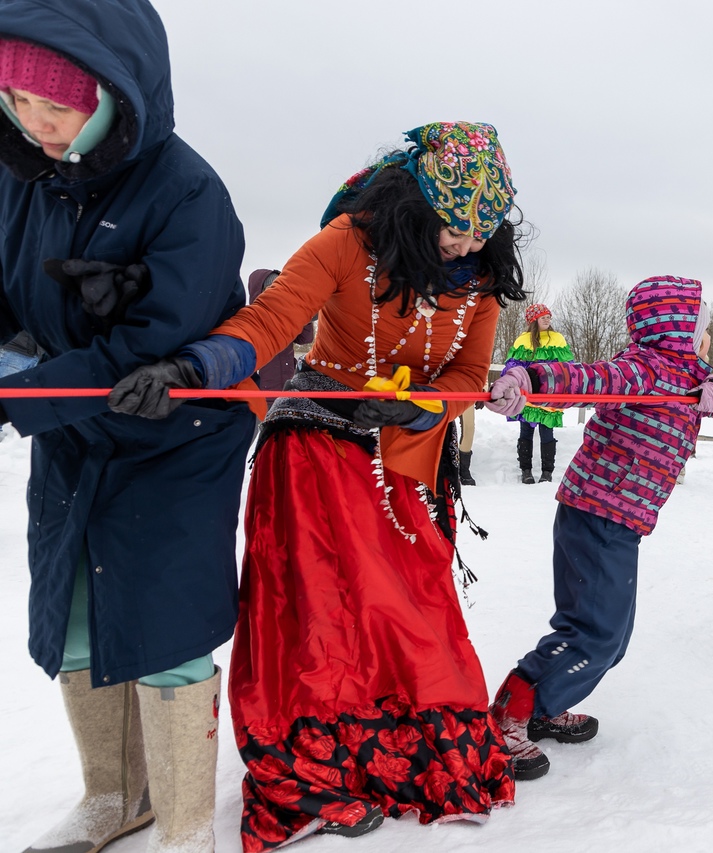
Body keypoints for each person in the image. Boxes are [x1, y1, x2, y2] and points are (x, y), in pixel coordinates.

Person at [109, 122, 524, 847]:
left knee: (412, 611)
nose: (464, 247)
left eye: (479, 234)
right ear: (417, 208)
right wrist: (190, 370)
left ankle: (410, 753)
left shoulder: (481, 278)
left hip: (403, 457)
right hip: (314, 450)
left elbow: (466, 376)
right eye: (453, 231)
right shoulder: (348, 241)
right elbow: (269, 320)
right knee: (322, 621)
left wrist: (424, 404)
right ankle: (312, 773)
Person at [0, 5, 259, 851]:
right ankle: (113, 796)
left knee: (167, 625)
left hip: (173, 437)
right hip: (73, 436)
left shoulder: (188, 191)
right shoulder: (21, 174)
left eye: (56, 107)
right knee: (74, 614)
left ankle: (184, 825)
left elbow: (144, 351)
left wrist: (18, 396)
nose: (33, 123)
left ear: (112, 95)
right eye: (13, 98)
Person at [484, 275, 713, 780]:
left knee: (612, 637)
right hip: (596, 513)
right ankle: (510, 715)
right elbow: (587, 379)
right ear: (682, 329)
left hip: (622, 521)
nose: (706, 339)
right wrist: (529, 381)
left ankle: (546, 704)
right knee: (595, 633)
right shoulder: (641, 369)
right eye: (702, 328)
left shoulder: (689, 372)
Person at [502, 302, 574, 483]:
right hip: (528, 393)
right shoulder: (523, 340)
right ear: (534, 319)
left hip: (550, 393)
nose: (548, 319)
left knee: (547, 431)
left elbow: (566, 366)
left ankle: (547, 472)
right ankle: (526, 471)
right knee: (526, 430)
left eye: (549, 316)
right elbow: (514, 366)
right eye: (544, 317)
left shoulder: (558, 338)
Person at [247, 268, 315, 404]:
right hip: (261, 395)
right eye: (270, 288)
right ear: (259, 291)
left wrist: (306, 317)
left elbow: (305, 340)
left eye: (278, 288)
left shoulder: (285, 317)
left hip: (287, 389)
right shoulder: (249, 319)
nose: (275, 293)